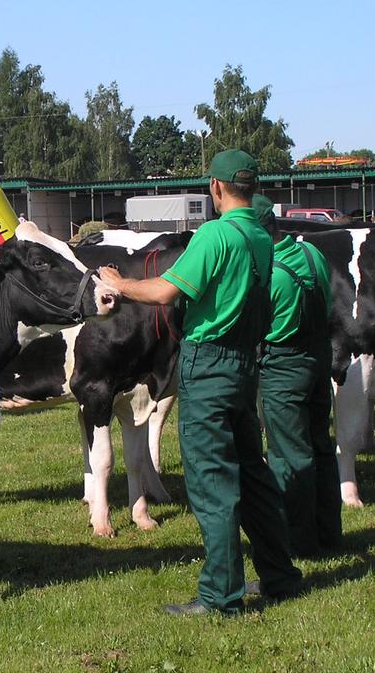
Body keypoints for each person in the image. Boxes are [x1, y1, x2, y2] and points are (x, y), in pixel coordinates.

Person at [98, 149, 302, 616]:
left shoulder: (215, 234)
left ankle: (220, 595)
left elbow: (167, 291)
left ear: (215, 188)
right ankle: (280, 575)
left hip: (208, 365)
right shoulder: (261, 235)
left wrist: (120, 283)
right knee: (252, 475)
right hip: (244, 366)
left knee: (213, 482)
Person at [252, 194, 342, 557]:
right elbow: (332, 300)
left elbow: (260, 327)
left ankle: (298, 542)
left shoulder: (270, 273)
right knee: (321, 447)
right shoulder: (311, 253)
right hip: (319, 358)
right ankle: (329, 533)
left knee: (289, 456)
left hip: (283, 366)